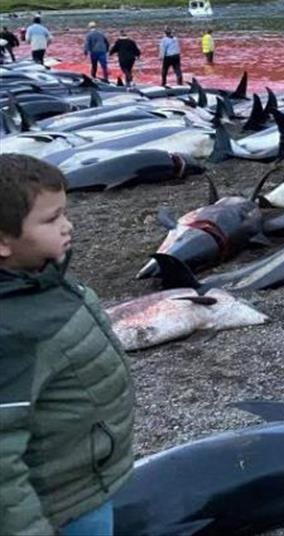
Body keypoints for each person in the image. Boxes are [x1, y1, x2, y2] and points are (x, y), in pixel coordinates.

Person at [0, 153, 136, 536]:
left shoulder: (39, 278)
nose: (68, 226)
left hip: (83, 481)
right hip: (59, 507)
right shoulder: (11, 331)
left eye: (64, 212)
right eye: (51, 219)